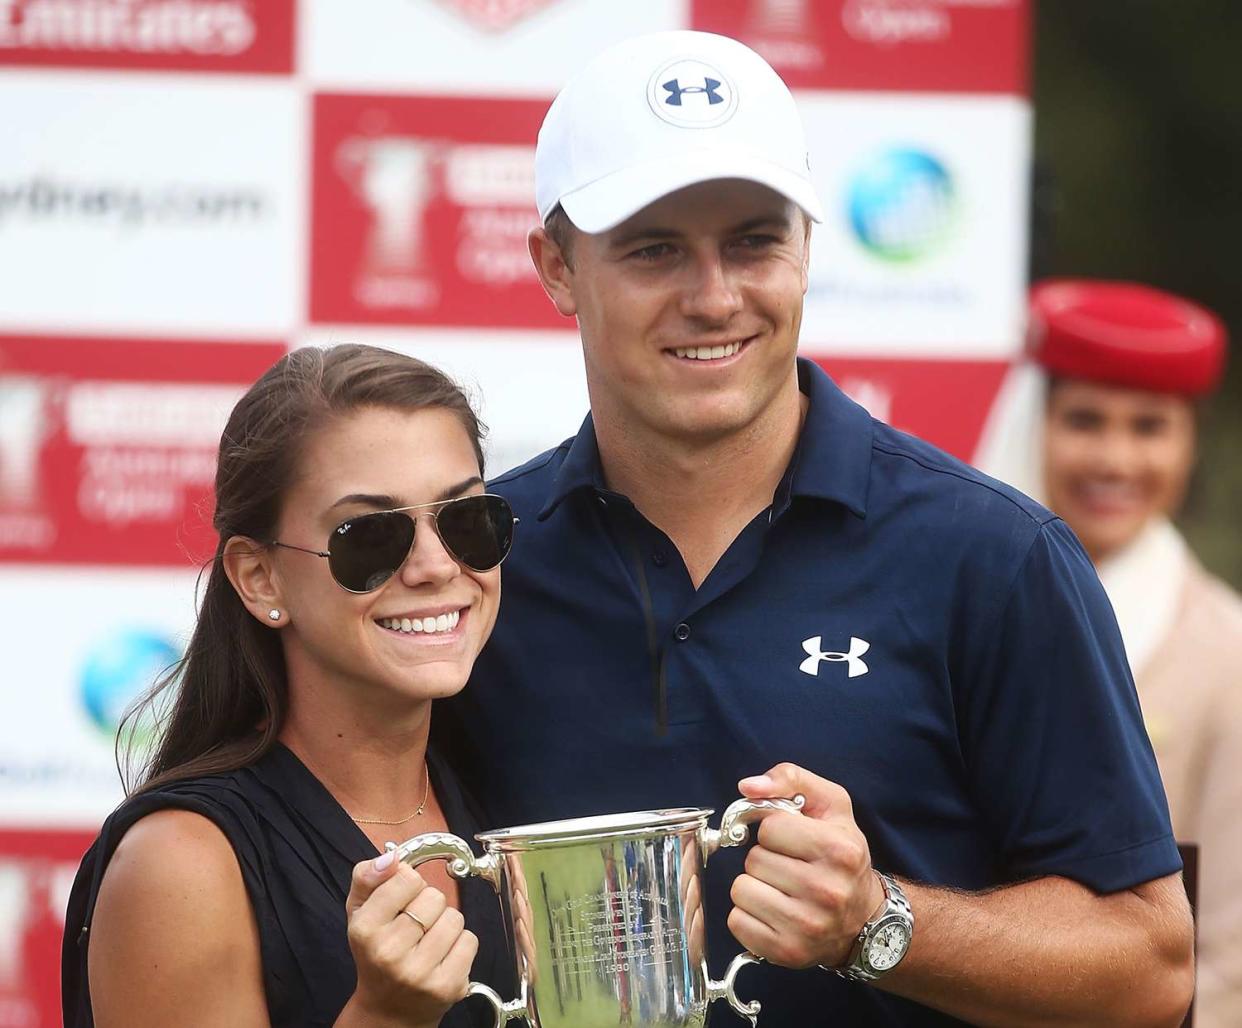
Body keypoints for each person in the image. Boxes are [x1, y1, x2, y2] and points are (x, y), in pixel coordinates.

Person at [435, 30, 1196, 1026]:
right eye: (655, 247)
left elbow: (1149, 966)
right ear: (556, 265)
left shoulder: (994, 556)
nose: (714, 297)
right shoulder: (469, 562)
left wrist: (879, 919)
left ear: (805, 245)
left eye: (753, 239)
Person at [62, 345, 517, 1027]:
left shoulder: (503, 794)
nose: (434, 566)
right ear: (259, 578)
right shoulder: (181, 865)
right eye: (370, 536)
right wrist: (383, 1016)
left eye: (465, 519)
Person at [1029, 278, 1242, 1028]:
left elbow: (1230, 956)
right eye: (1084, 420)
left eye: (1149, 427)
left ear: (1190, 445)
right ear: (1039, 423)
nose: (1114, 458)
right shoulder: (954, 601)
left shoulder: (1228, 654)